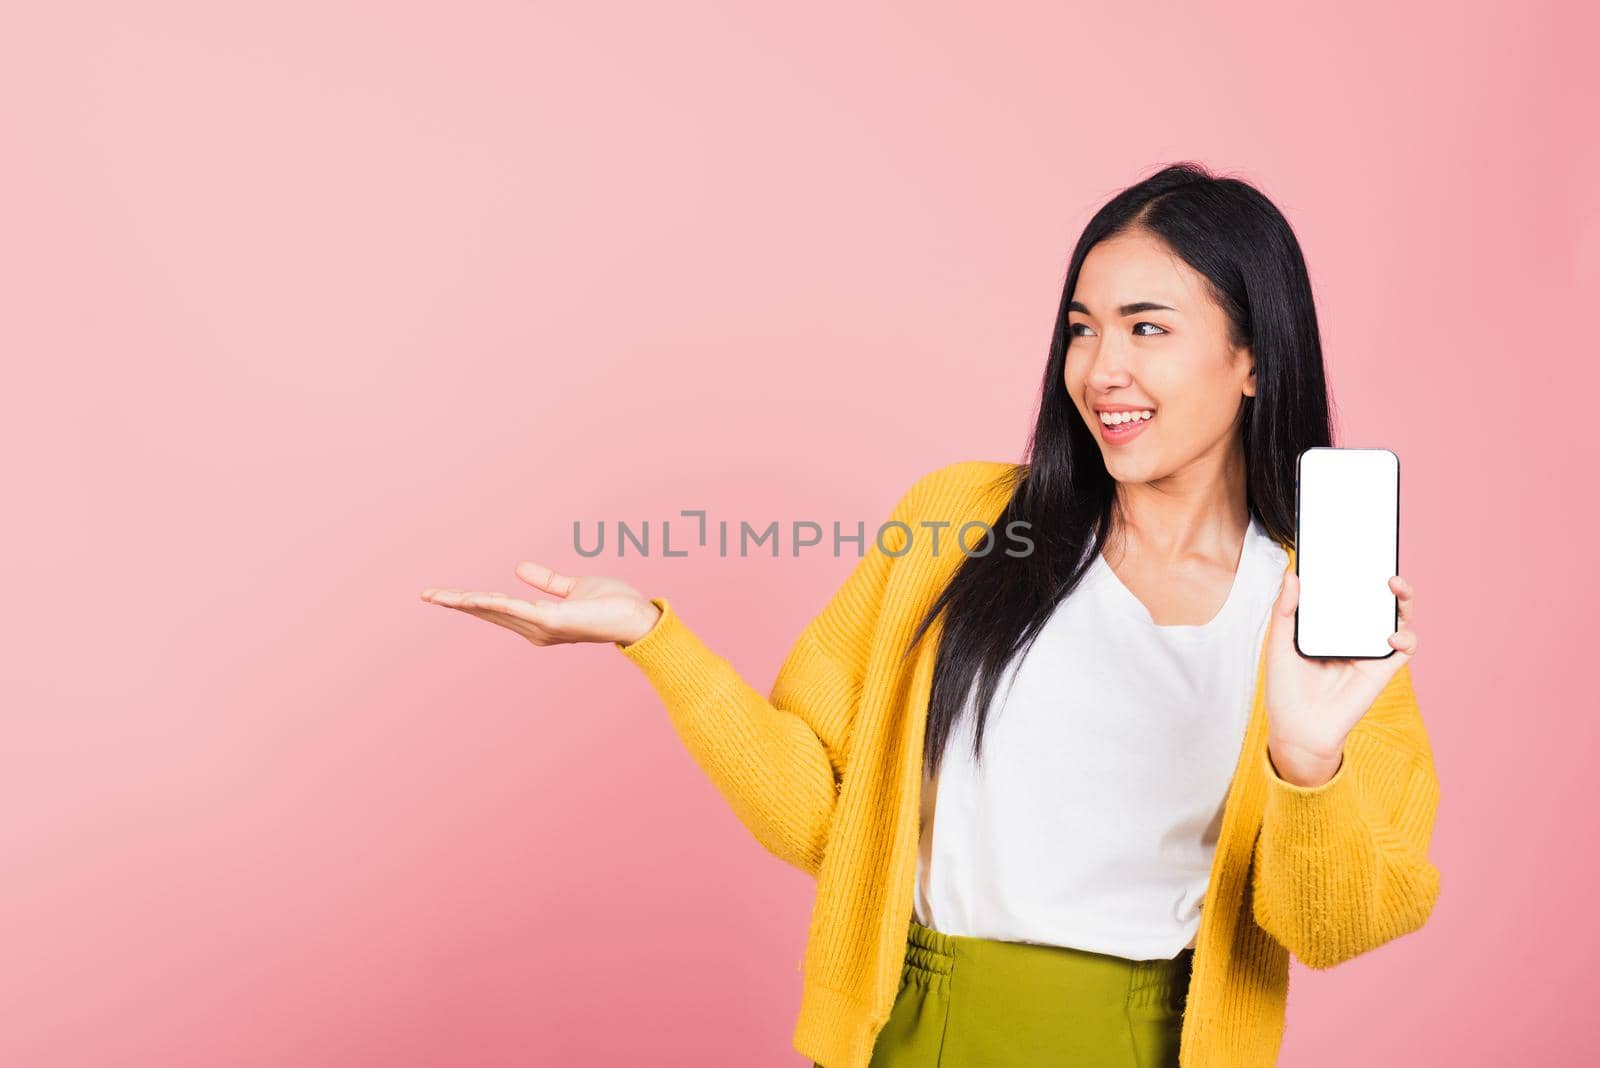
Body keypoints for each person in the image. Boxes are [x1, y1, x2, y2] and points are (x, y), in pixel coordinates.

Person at [420, 161, 1441, 1068]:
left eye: (1148, 328)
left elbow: (1334, 925)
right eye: (1081, 329)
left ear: (1254, 359)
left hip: (1145, 1041)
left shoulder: (1314, 612)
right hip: (909, 1030)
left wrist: (1306, 760)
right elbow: (824, 817)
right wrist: (654, 637)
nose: (1101, 369)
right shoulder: (959, 521)